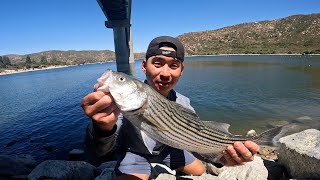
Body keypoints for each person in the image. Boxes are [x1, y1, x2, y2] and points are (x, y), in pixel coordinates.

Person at [81, 36, 260, 180]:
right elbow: (99, 151)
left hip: (171, 148)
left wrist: (224, 158)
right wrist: (102, 128)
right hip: (135, 153)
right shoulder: (121, 105)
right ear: (144, 67)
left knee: (199, 170)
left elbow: (197, 142)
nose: (165, 73)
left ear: (181, 70)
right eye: (157, 63)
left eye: (173, 65)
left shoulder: (183, 103)